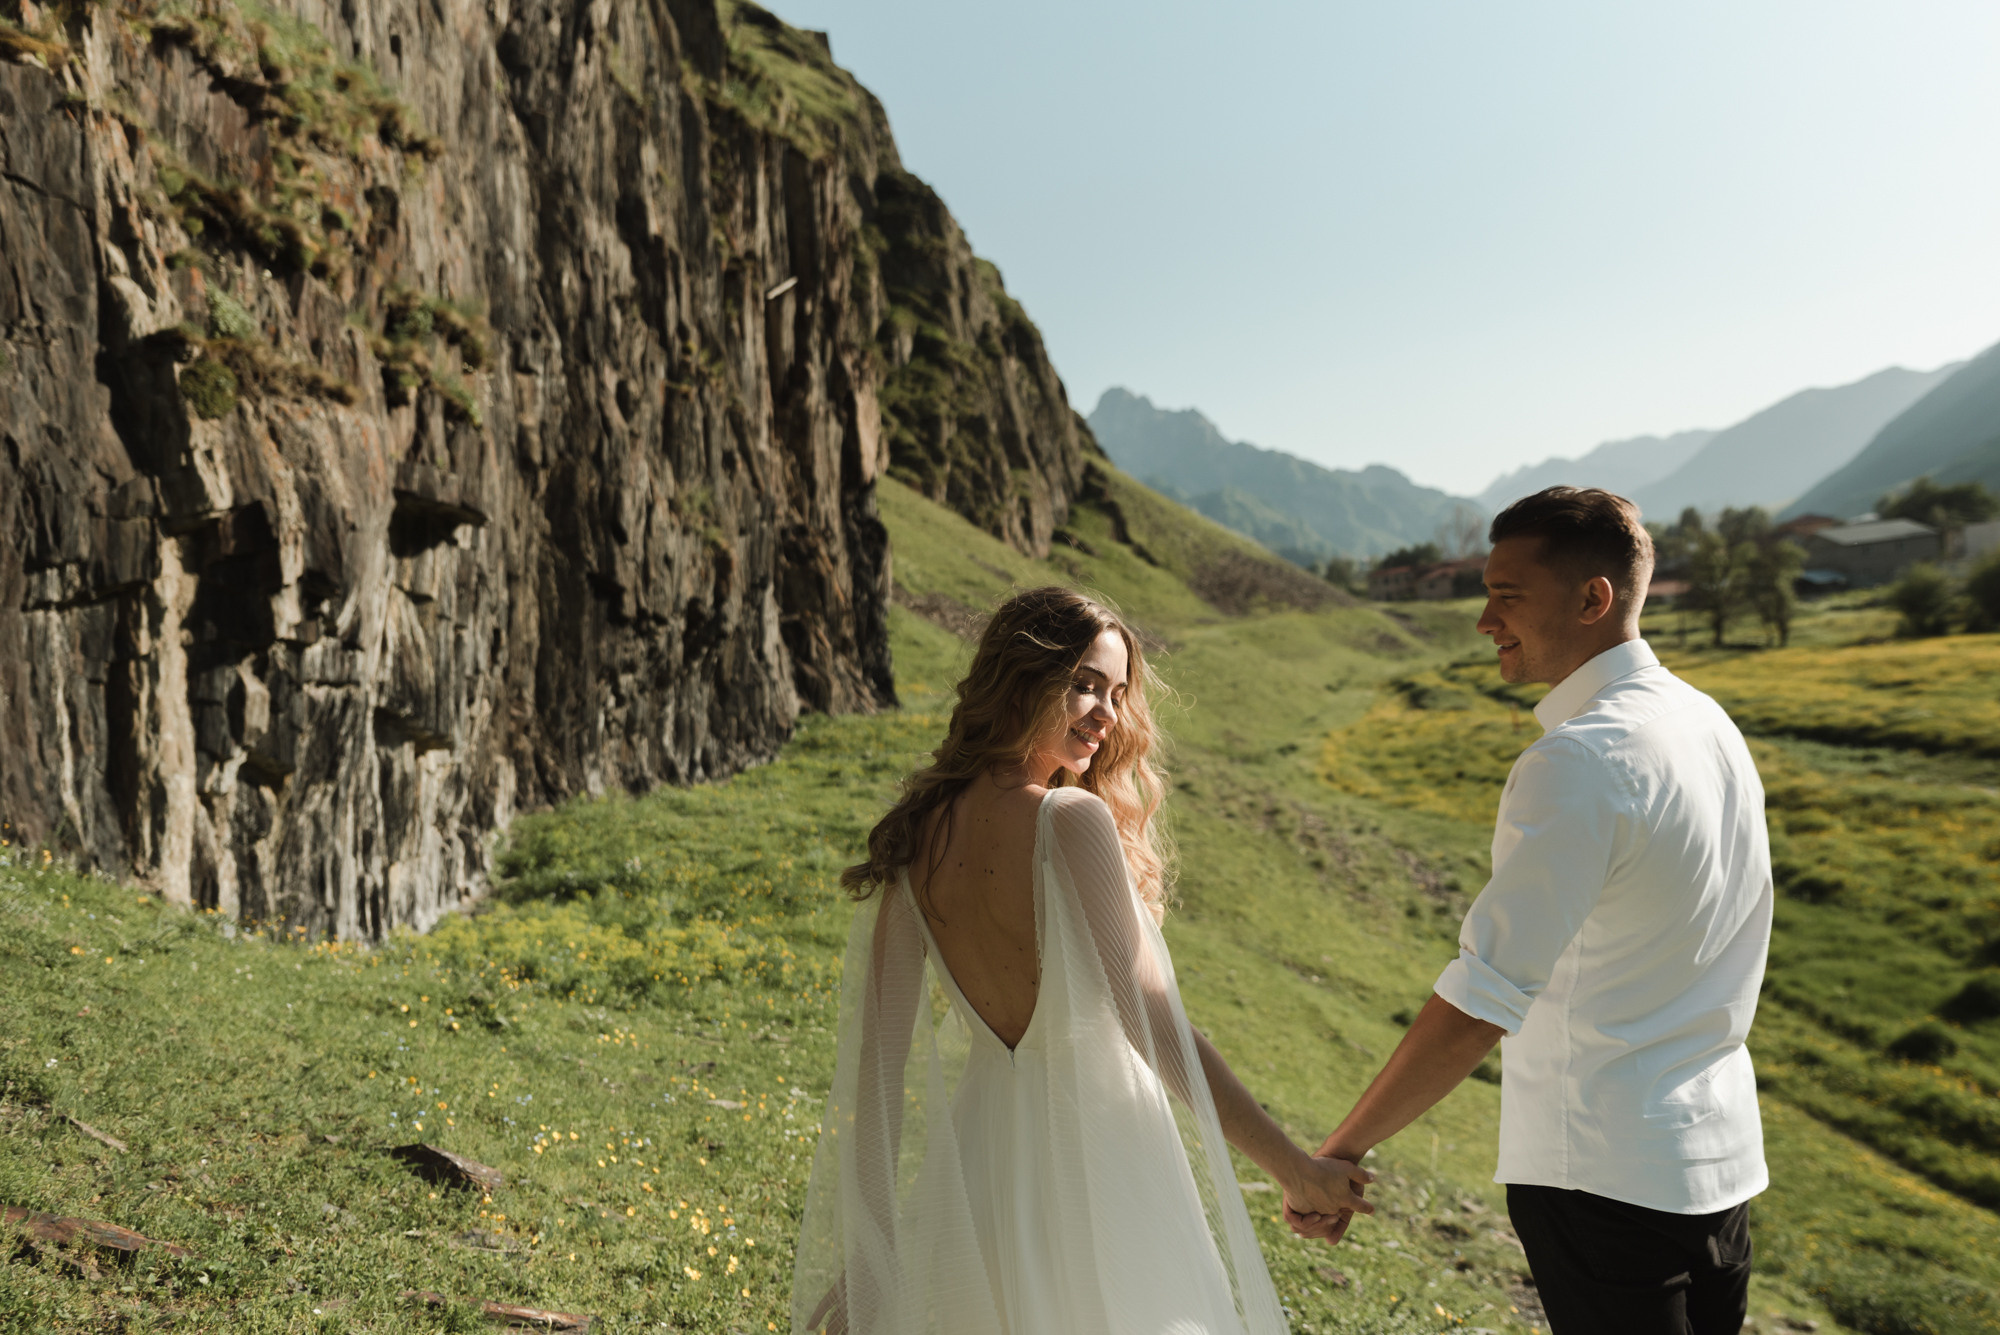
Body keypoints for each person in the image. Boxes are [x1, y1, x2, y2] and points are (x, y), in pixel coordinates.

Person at [792, 586, 1372, 1335]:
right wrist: (1294, 1167)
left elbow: (877, 1072)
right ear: (1021, 677)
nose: (1107, 713)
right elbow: (1160, 1031)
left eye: (1119, 692)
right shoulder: (1069, 819)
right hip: (1101, 1159)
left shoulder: (919, 836)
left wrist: (873, 1254)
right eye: (1086, 683)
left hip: (984, 1171)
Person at [1288, 487, 1773, 1335]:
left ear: (1594, 598)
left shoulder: (1580, 760)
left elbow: (1484, 996)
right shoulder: (1708, 723)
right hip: (1717, 1163)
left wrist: (1339, 1153)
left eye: (1506, 596)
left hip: (1604, 1173)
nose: (1484, 620)